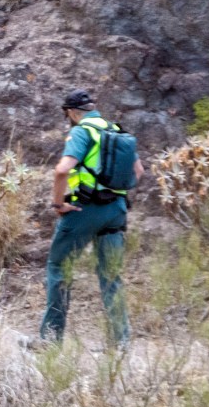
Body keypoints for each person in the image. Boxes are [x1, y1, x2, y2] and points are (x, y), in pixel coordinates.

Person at [40, 89, 144, 347]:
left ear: (72, 112)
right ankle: (119, 343)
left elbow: (62, 169)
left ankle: (50, 341)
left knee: (58, 268)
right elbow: (138, 171)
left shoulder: (81, 131)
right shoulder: (117, 131)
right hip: (117, 211)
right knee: (111, 276)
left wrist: (58, 203)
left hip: (84, 210)